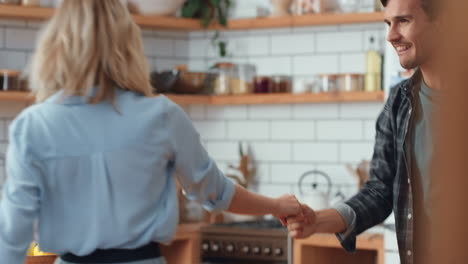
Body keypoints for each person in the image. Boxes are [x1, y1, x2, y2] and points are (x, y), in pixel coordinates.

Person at [0, 1, 303, 264]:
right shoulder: (162, 115)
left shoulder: (32, 126)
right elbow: (215, 192)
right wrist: (276, 206)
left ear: (55, 44)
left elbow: (12, 233)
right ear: (128, 44)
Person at [287, 0, 441, 263]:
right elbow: (379, 191)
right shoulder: (399, 102)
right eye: (388, 23)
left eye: (403, 21)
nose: (391, 35)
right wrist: (318, 221)